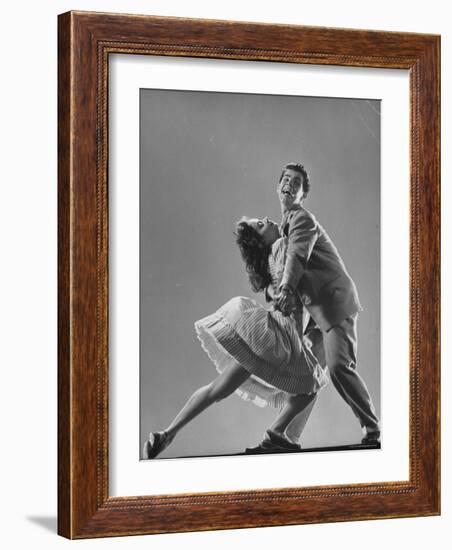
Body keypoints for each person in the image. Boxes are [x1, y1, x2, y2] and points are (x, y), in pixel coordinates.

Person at [142, 217, 328, 459]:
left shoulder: (272, 263)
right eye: (261, 225)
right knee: (312, 385)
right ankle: (278, 434)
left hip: (266, 336)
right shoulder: (282, 246)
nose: (267, 220)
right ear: (261, 241)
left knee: (217, 389)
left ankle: (167, 433)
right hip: (281, 337)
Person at [272, 162, 380, 445]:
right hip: (319, 317)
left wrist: (284, 287)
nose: (290, 184)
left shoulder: (301, 219)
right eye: (286, 179)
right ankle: (287, 437)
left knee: (339, 368)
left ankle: (372, 429)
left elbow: (298, 256)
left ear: (302, 195)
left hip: (335, 306)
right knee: (305, 375)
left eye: (297, 183)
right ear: (277, 186)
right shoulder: (286, 228)